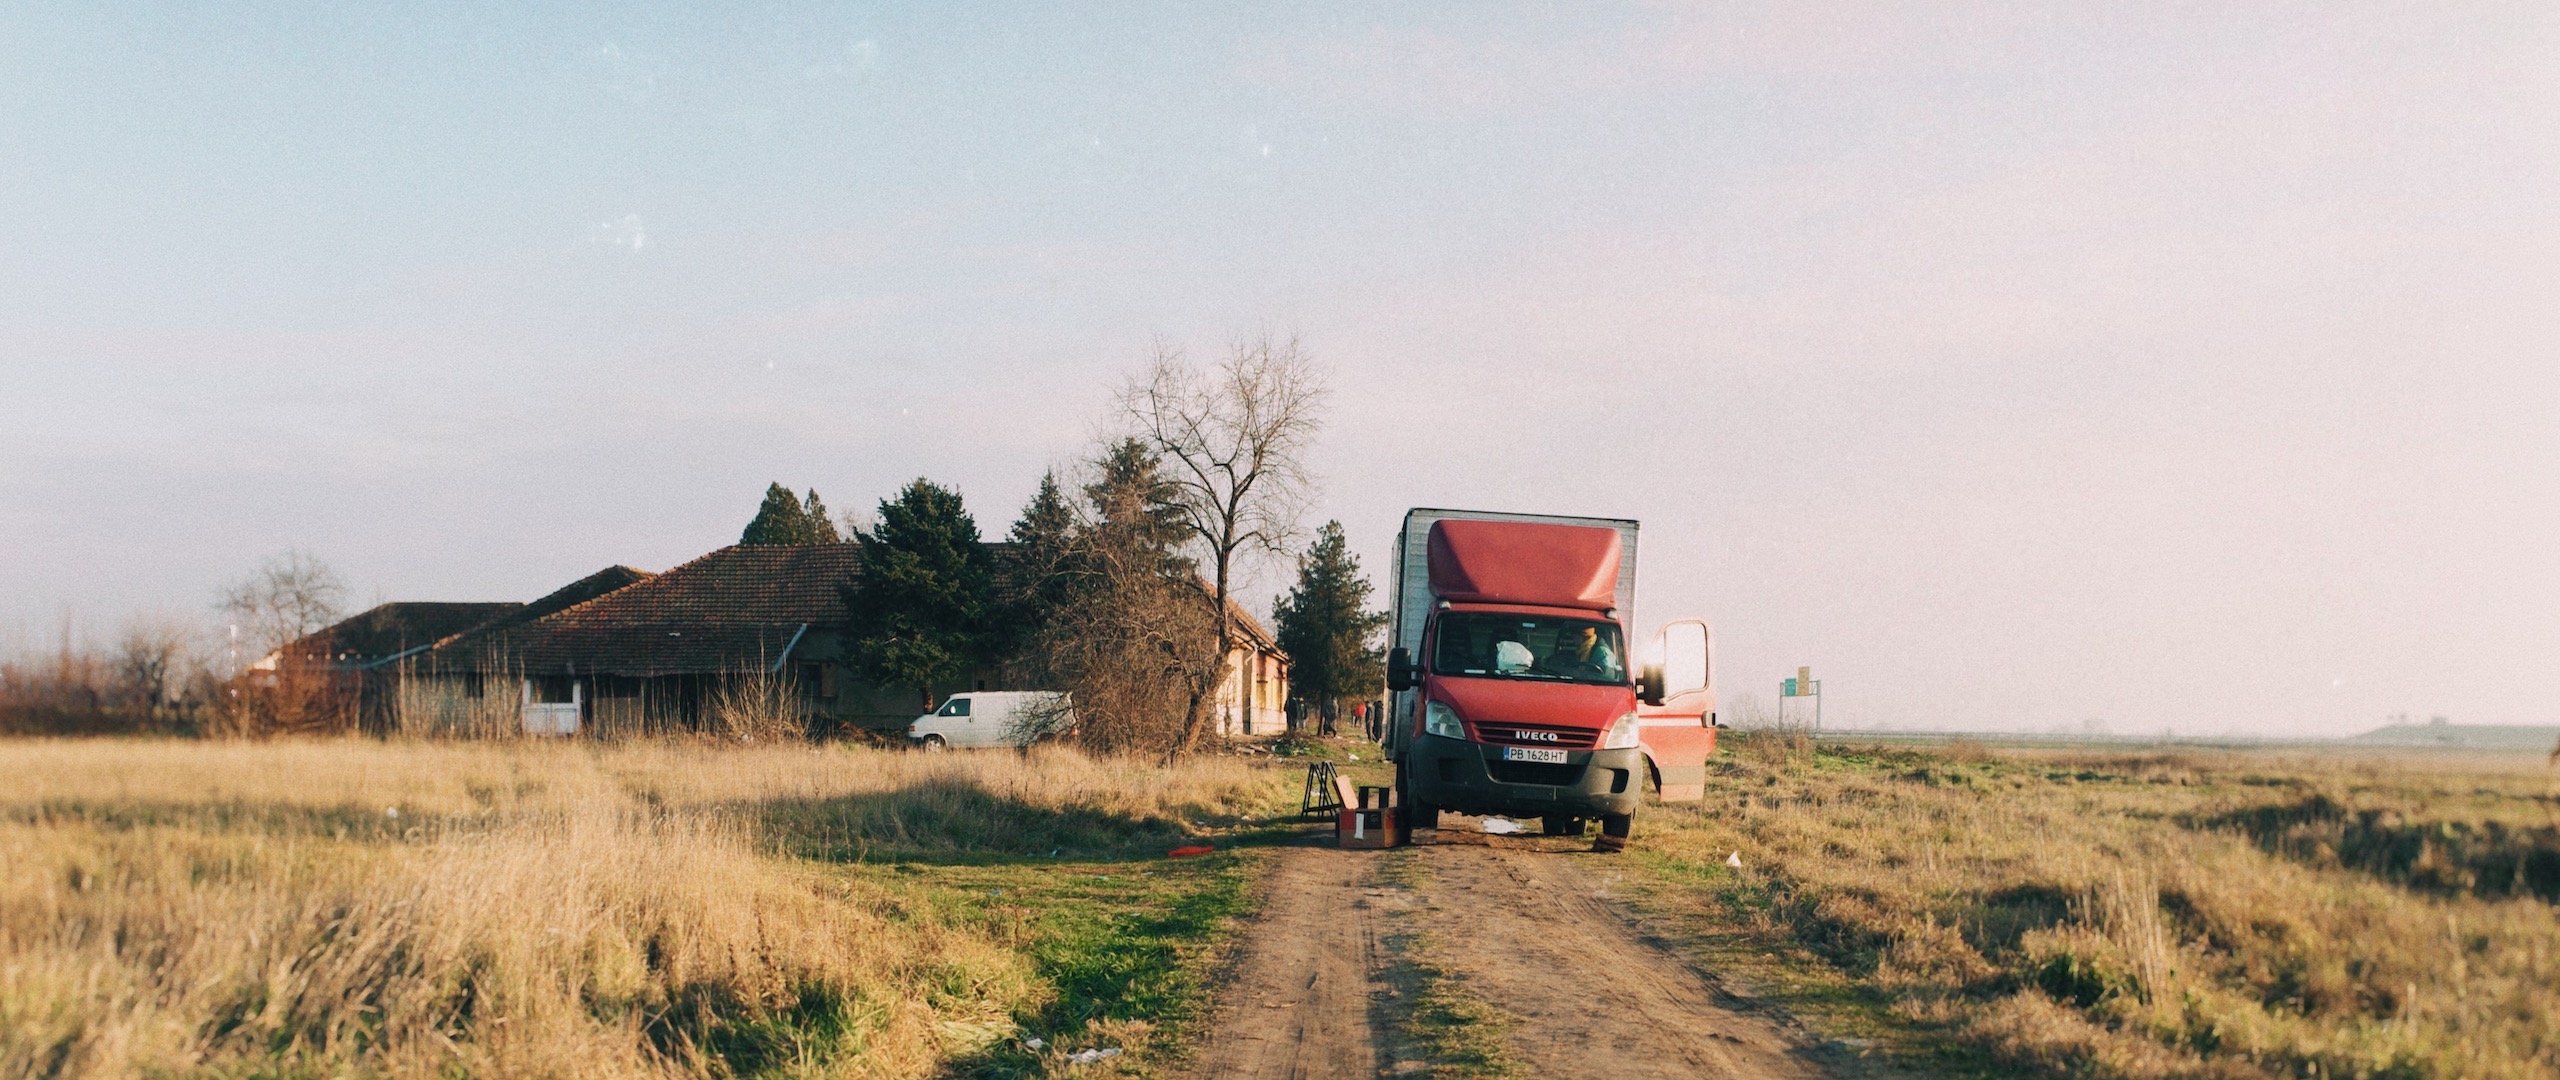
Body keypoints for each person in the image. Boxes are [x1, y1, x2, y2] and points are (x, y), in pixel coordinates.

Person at [1539, 625, 1620, 681]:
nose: (1573, 639)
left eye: (1576, 636)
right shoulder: (1582, 650)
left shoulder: (1603, 653)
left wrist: (1579, 674)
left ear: (1584, 636)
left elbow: (1606, 679)